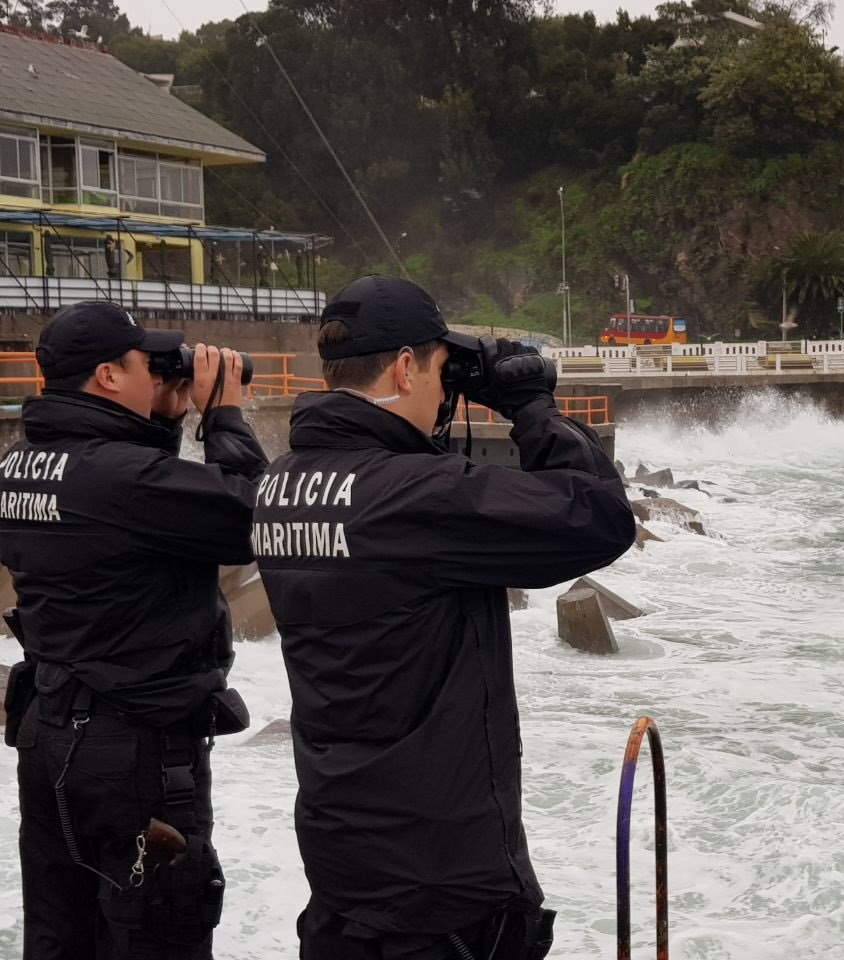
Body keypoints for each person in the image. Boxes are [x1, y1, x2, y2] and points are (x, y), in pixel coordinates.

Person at [253, 275, 635, 960]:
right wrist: (530, 407)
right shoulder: (416, 495)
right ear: (404, 368)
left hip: (341, 864)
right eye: (436, 370)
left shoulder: (280, 484)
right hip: (442, 889)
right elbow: (601, 517)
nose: (439, 390)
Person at [0, 301, 267, 959]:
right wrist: (223, 415)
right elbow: (256, 519)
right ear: (108, 375)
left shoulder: (20, 466)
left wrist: (163, 423)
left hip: (48, 734)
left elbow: (131, 515)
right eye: (148, 362)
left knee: (61, 938)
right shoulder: (123, 479)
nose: (160, 372)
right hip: (134, 753)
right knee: (157, 935)